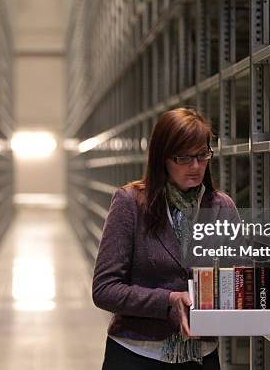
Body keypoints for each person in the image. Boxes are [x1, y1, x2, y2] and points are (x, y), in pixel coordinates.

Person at [92, 108, 239, 369]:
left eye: (202, 155)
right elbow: (104, 289)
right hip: (136, 355)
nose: (195, 166)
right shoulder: (131, 203)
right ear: (162, 158)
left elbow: (240, 278)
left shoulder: (221, 207)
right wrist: (168, 301)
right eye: (183, 158)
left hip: (200, 356)